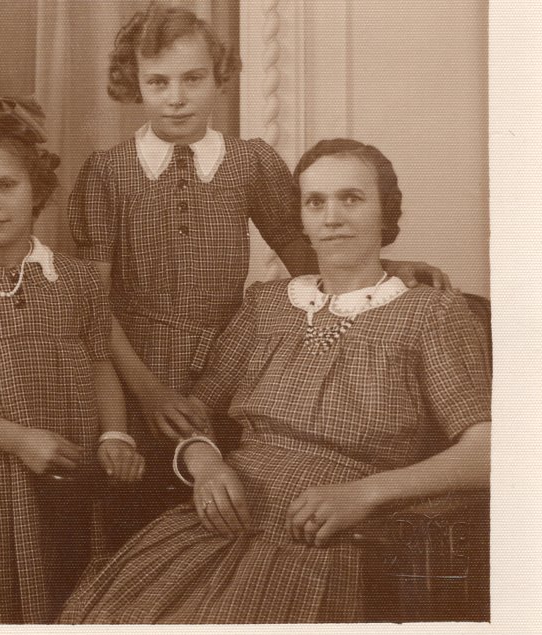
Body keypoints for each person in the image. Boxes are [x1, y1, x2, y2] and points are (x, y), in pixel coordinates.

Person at [59, 138, 491, 623]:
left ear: (386, 212)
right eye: (315, 202)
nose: (332, 217)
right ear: (301, 219)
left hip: (326, 533)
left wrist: (365, 494)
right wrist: (205, 464)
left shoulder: (433, 312)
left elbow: (485, 452)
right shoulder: (267, 303)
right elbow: (194, 416)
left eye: (351, 199)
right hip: (223, 517)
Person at [69, 0, 452, 545]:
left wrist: (387, 269)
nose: (176, 98)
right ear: (135, 83)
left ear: (219, 78)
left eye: (193, 79)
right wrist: (149, 392)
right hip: (129, 370)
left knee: (225, 516)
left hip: (228, 368)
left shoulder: (250, 162)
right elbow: (92, 299)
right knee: (135, 521)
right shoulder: (107, 171)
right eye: (158, 82)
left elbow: (312, 263)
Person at [0, 98, 143, 623]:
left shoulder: (75, 280)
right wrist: (19, 440)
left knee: (68, 586)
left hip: (70, 470)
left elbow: (100, 363)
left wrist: (115, 435)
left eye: (6, 185)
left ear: (37, 189)